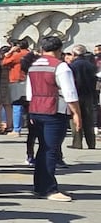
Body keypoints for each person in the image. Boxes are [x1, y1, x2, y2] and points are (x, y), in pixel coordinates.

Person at [26, 35, 80, 202]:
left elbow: (29, 92)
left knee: (43, 149)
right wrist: (77, 114)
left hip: (36, 109)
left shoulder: (33, 65)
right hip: (54, 111)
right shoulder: (61, 66)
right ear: (59, 50)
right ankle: (49, 188)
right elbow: (69, 93)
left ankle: (39, 186)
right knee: (51, 150)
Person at [67, 44, 96, 151]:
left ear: (74, 54)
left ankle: (77, 142)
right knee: (88, 119)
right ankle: (91, 142)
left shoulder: (72, 66)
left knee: (75, 118)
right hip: (88, 94)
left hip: (76, 94)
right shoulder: (91, 65)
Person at [0, 38, 30, 138]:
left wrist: (10, 52)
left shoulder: (17, 55)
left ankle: (16, 129)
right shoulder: (30, 54)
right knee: (28, 105)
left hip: (17, 80)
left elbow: (4, 62)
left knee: (17, 105)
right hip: (28, 80)